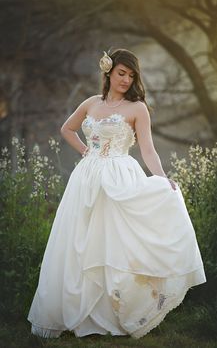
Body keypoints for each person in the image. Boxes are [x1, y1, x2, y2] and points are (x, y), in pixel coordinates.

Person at [27, 48, 206, 339]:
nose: (125, 80)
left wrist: (162, 179)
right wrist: (87, 152)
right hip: (86, 178)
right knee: (80, 241)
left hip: (120, 176)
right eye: (121, 73)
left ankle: (115, 310)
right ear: (108, 72)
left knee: (114, 242)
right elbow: (66, 129)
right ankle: (79, 311)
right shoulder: (91, 103)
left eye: (131, 75)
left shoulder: (137, 108)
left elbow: (147, 149)